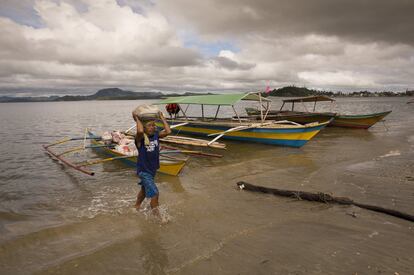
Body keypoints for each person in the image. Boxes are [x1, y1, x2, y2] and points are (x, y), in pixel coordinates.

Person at [132, 110, 171, 216]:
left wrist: (162, 118)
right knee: (155, 193)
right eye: (149, 125)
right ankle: (158, 217)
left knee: (144, 190)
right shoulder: (139, 139)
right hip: (144, 171)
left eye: (154, 125)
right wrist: (137, 119)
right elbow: (139, 131)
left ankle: (136, 206)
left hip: (152, 170)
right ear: (144, 128)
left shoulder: (156, 135)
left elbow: (168, 131)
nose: (153, 127)